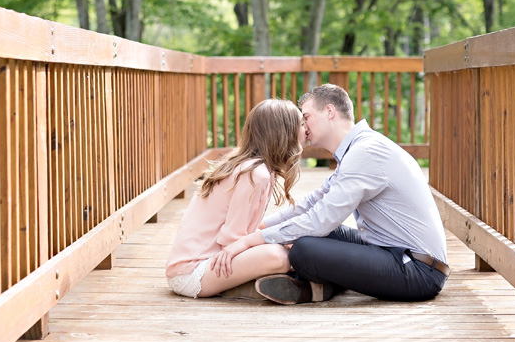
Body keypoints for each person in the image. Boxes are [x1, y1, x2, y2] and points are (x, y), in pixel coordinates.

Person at [214, 83, 449, 305]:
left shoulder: (365, 152)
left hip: (419, 270)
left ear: (329, 112)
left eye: (306, 117)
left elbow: (320, 220)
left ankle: (315, 285)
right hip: (390, 250)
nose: (303, 128)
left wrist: (250, 240)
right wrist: (262, 227)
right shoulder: (357, 148)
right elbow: (312, 202)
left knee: (304, 248)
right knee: (317, 235)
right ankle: (322, 285)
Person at [165, 98, 306, 298]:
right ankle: (247, 287)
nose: (306, 128)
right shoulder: (255, 174)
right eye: (301, 124)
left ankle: (248, 286)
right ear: (285, 133)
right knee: (279, 257)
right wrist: (280, 244)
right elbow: (232, 238)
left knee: (285, 244)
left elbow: (247, 230)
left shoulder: (257, 168)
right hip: (194, 271)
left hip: (210, 262)